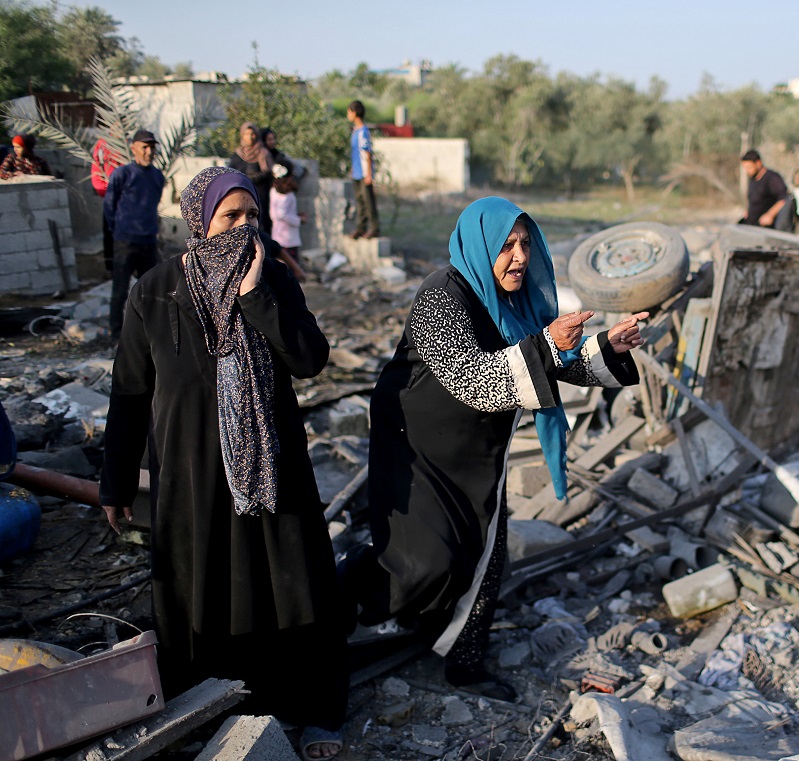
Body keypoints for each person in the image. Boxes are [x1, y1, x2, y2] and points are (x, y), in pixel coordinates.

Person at [344, 197, 646, 701]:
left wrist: (606, 346)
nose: (520, 257)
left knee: (484, 555)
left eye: (526, 243)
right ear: (479, 246)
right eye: (506, 245)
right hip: (418, 452)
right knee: (421, 560)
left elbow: (553, 364)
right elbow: (473, 380)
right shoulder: (442, 296)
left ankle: (464, 662)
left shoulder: (516, 300)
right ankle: (344, 601)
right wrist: (548, 346)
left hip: (479, 453)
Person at [99, 166, 346, 760]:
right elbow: (130, 393)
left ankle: (299, 706)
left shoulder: (273, 279)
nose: (243, 227)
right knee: (206, 583)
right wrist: (115, 480)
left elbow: (310, 359)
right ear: (199, 219)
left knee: (285, 581)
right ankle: (214, 707)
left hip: (272, 470)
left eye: (251, 216)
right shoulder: (155, 290)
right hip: (191, 476)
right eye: (230, 217)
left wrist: (255, 298)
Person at [104, 130, 164, 341]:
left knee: (151, 291)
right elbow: (109, 207)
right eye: (144, 147)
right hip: (125, 241)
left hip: (148, 241)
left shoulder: (157, 176)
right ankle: (116, 334)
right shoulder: (122, 174)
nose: (149, 152)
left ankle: (150, 334)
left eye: (152, 147)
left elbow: (153, 206)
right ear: (134, 148)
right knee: (120, 291)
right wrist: (119, 230)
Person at [228, 121, 274, 235]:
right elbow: (230, 172)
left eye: (252, 134)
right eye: (246, 134)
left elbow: (267, 172)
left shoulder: (263, 153)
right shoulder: (237, 154)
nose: (250, 137)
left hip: (259, 193)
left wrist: (249, 179)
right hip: (240, 193)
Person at [347, 101, 379, 239]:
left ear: (354, 113)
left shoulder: (363, 132)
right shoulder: (355, 131)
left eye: (349, 112)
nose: (348, 115)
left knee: (368, 202)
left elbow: (367, 153)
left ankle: (374, 228)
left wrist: (369, 174)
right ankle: (360, 228)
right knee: (359, 201)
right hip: (356, 173)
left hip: (364, 173)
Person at [92, 137, 124, 273]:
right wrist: (105, 190)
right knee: (109, 231)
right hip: (110, 195)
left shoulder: (128, 143)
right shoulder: (103, 145)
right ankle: (110, 267)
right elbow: (96, 168)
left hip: (127, 198)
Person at [270, 173, 308, 282]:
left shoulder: (274, 191)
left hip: (279, 234)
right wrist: (300, 220)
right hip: (288, 238)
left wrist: (296, 216)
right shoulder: (288, 196)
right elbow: (282, 214)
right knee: (290, 269)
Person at [738, 149, 787, 228]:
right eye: (745, 168)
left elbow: (784, 199)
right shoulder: (753, 178)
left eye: (749, 167)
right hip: (751, 224)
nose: (747, 171)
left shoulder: (772, 178)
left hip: (766, 227)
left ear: (758, 163)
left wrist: (770, 215)